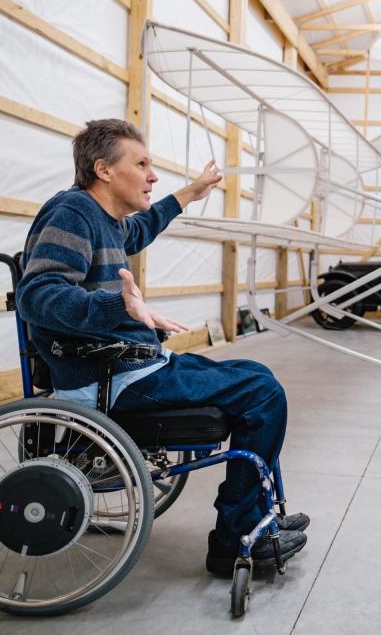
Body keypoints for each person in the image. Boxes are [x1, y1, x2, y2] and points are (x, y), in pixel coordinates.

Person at [15, 118, 309, 574]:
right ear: (104, 170)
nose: (153, 175)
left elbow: (143, 227)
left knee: (256, 373)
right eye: (142, 163)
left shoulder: (106, 220)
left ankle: (258, 518)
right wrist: (120, 308)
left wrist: (191, 192)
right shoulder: (72, 213)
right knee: (262, 393)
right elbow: (39, 295)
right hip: (109, 378)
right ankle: (235, 541)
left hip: (130, 364)